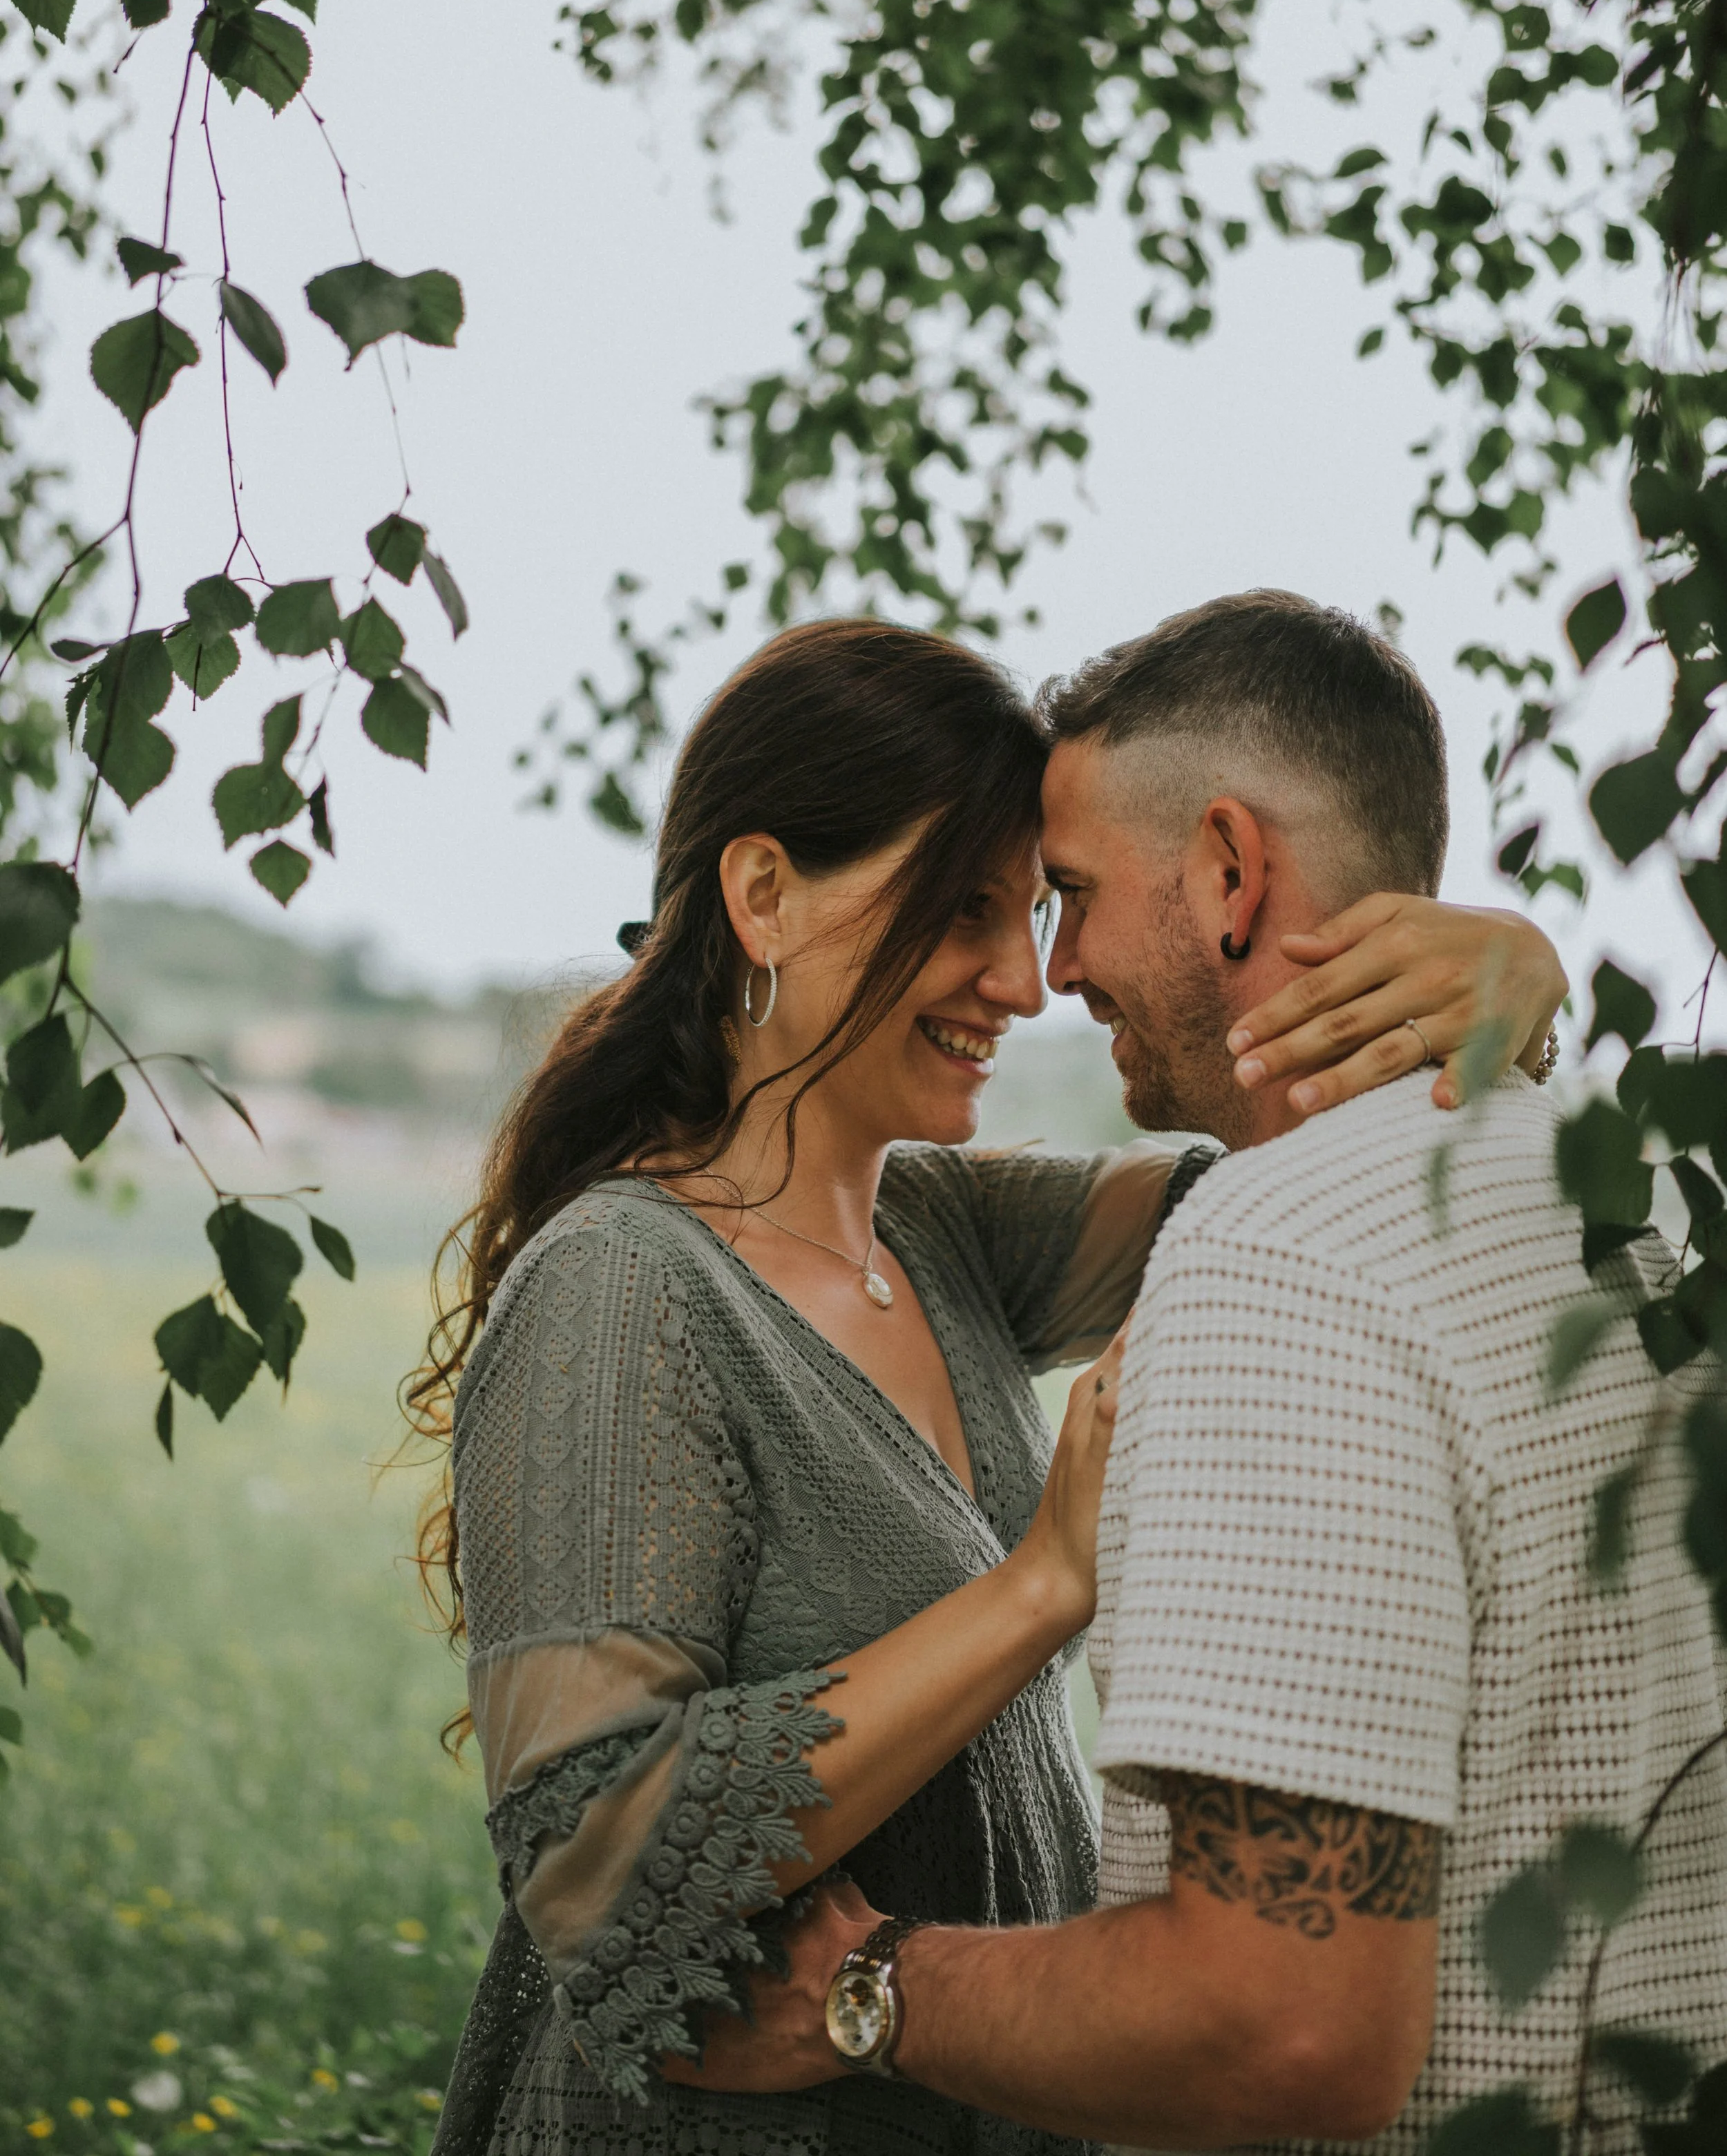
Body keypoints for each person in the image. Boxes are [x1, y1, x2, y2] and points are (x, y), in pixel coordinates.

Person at [416, 615, 1567, 2156]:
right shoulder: (622, 1289)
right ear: (762, 895)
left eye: (1035, 910)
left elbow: (1292, 1185)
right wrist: (1037, 1588)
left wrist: (1512, 991)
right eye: (965, 910)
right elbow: (589, 1863)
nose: (1022, 983)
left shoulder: (939, 1229)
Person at [677, 594, 1727, 2155]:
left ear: (1231, 871)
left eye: (1071, 893)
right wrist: (1527, 973)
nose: (1053, 966)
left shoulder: (1273, 1259)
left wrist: (865, 1988)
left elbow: (1280, 2020)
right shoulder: (1630, 1201)